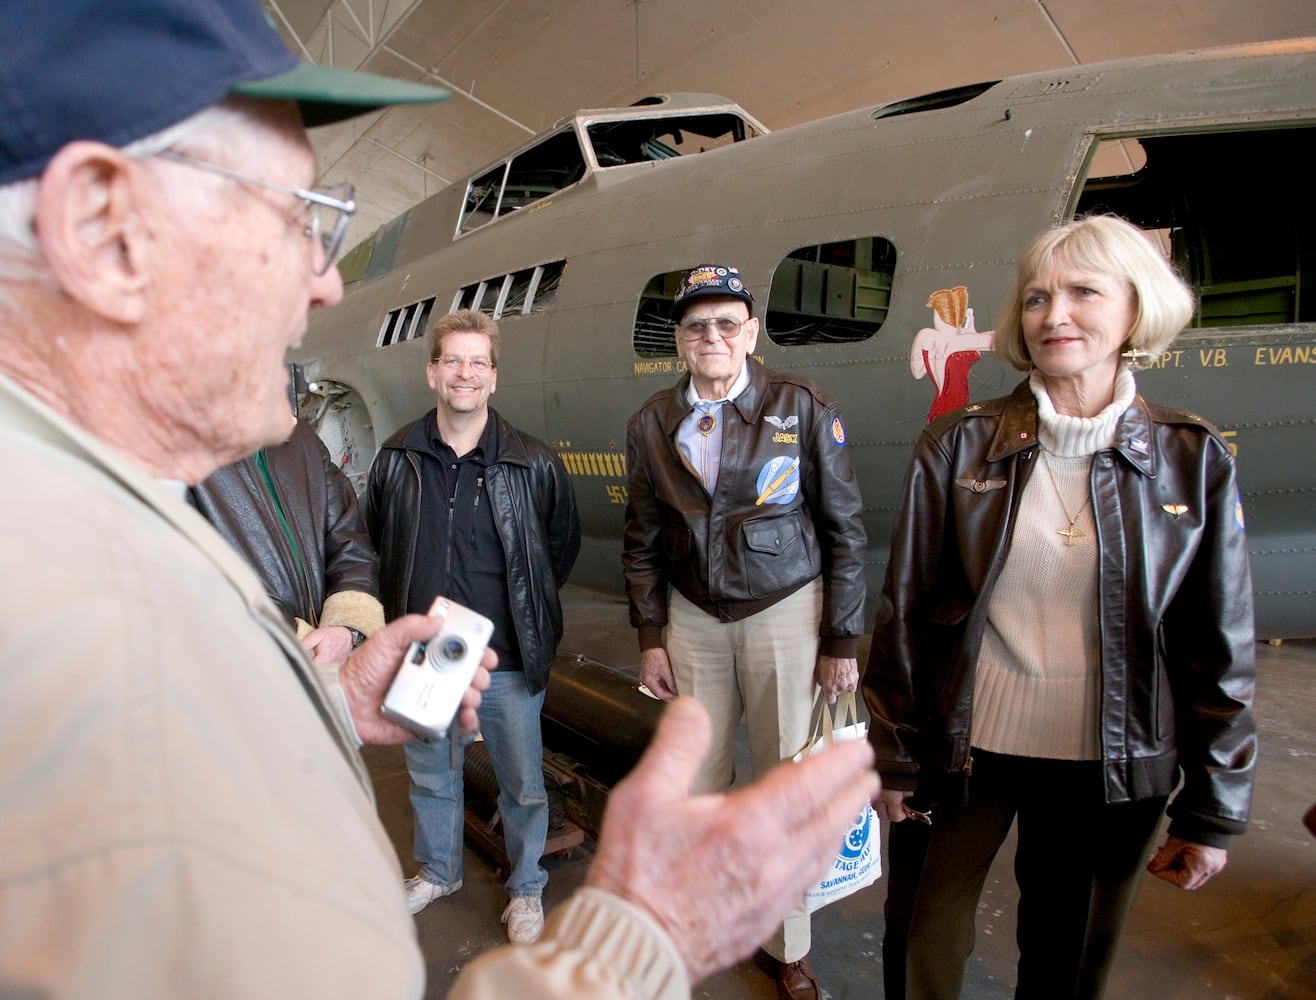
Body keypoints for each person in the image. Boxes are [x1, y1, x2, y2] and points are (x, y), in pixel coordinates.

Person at [0, 2, 883, 997]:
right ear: (106, 230)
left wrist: (318, 700)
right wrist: (641, 930)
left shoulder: (93, 523)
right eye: (298, 220)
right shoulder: (69, 628)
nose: (325, 284)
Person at [863, 214, 1258, 999]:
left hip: (1114, 759)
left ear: (1136, 310)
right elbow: (904, 613)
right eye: (1038, 298)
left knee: (1069, 956)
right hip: (964, 747)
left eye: (1084, 292)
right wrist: (895, 757)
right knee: (919, 943)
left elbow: (1219, 646)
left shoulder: (1192, 458)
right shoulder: (956, 445)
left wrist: (1213, 808)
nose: (1055, 315)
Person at [622, 264, 868, 1000]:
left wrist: (842, 641)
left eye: (728, 323)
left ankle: (787, 943)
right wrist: (650, 633)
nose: (713, 336)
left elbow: (845, 530)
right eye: (698, 325)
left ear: (751, 332)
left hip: (784, 611)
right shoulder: (650, 423)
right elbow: (641, 538)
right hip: (694, 616)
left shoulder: (802, 406)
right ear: (680, 341)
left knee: (783, 782)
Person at [366, 308, 581, 944]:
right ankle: (439, 871)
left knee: (522, 783)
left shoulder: (533, 463)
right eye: (452, 360)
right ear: (432, 372)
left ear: (493, 376)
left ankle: (525, 888)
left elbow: (555, 551)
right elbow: (379, 542)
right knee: (433, 773)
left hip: (508, 657)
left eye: (477, 362)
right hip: (427, 654)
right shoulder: (397, 459)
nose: (465, 373)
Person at [192, 414, 385, 663]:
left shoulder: (301, 439)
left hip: (331, 662)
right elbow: (190, 577)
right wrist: (299, 640)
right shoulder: (172, 454)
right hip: (248, 666)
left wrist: (345, 626)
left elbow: (349, 536)